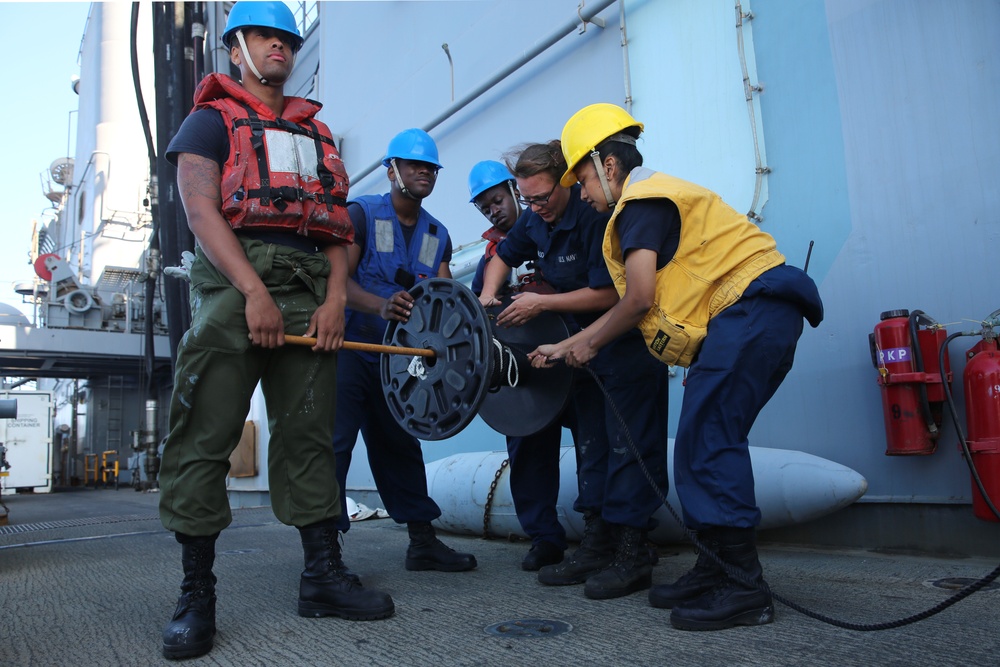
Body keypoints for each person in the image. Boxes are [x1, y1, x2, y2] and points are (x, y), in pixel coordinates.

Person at [157, 2, 393, 660]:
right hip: (238, 279)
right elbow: (201, 212)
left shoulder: (318, 137)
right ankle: (195, 593)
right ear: (237, 48)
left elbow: (339, 228)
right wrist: (252, 292)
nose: (279, 48)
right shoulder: (210, 121)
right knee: (205, 434)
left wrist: (337, 299)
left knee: (311, 435)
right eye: (264, 37)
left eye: (287, 38)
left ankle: (322, 576)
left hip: (313, 287)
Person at [532, 103, 824, 630]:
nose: (583, 195)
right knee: (698, 442)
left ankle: (742, 587)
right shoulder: (649, 199)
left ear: (607, 165)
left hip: (752, 309)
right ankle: (715, 569)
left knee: (709, 440)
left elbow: (639, 297)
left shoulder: (641, 201)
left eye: (581, 181)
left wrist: (588, 343)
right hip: (749, 316)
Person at [478, 142, 670, 599]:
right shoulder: (534, 217)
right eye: (528, 200)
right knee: (594, 448)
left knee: (629, 447)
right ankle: (597, 543)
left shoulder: (595, 216)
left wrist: (541, 304)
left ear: (567, 182)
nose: (536, 207)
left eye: (543, 197)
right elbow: (503, 254)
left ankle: (632, 550)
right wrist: (487, 298)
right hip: (582, 353)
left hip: (623, 344)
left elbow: (612, 295)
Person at [333, 128, 477, 574]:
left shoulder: (438, 233)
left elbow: (446, 300)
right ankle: (325, 551)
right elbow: (338, 284)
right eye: (414, 166)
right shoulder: (360, 215)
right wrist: (380, 305)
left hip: (400, 361)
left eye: (431, 168)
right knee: (334, 445)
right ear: (390, 170)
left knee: (401, 443)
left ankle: (422, 542)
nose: (424, 174)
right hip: (352, 348)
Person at [467, 160, 565, 570]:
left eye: (497, 199)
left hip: (571, 353)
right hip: (521, 371)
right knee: (528, 451)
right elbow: (477, 319)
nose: (494, 210)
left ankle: (609, 532)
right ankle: (544, 536)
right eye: (484, 206)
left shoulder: (556, 232)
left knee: (599, 443)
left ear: (515, 190)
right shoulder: (489, 262)